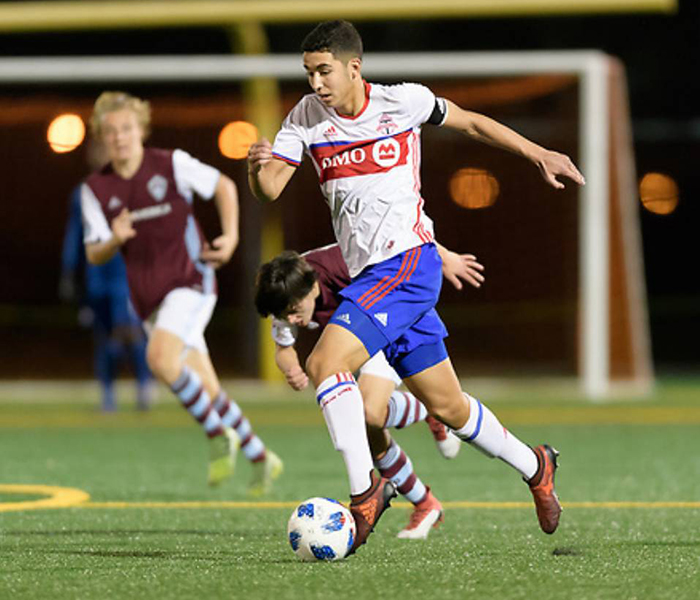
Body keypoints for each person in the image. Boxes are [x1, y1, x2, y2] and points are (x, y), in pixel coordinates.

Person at [248, 20, 586, 553]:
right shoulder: (305, 118)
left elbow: (472, 124)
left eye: (324, 71)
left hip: (408, 264)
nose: (316, 83)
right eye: (309, 72)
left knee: (324, 365)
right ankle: (535, 464)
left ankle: (366, 494)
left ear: (353, 67)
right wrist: (256, 166)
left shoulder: (402, 102)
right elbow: (269, 189)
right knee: (450, 408)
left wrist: (538, 153)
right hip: (373, 277)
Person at [81, 91, 282, 494]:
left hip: (191, 280)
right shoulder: (96, 189)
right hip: (149, 299)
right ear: (102, 137)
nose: (119, 137)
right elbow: (94, 253)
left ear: (141, 129)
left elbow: (224, 185)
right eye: (111, 131)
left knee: (159, 358)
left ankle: (215, 435)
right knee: (206, 387)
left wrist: (230, 235)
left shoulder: (170, 164)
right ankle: (261, 456)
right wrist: (114, 239)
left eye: (126, 128)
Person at [255, 243, 483, 539]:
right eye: (287, 316)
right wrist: (291, 369)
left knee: (369, 413)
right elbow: (283, 347)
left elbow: (407, 239)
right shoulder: (285, 293)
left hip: (390, 323)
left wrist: (446, 256)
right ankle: (425, 503)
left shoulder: (337, 263)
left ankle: (431, 408)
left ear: (311, 288)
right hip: (354, 342)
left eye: (295, 313)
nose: (293, 321)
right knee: (368, 428)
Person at [60, 140, 154, 412]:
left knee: (130, 330)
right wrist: (69, 271)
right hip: (96, 275)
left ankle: (144, 387)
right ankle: (108, 392)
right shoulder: (82, 193)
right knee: (104, 335)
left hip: (126, 273)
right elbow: (74, 235)